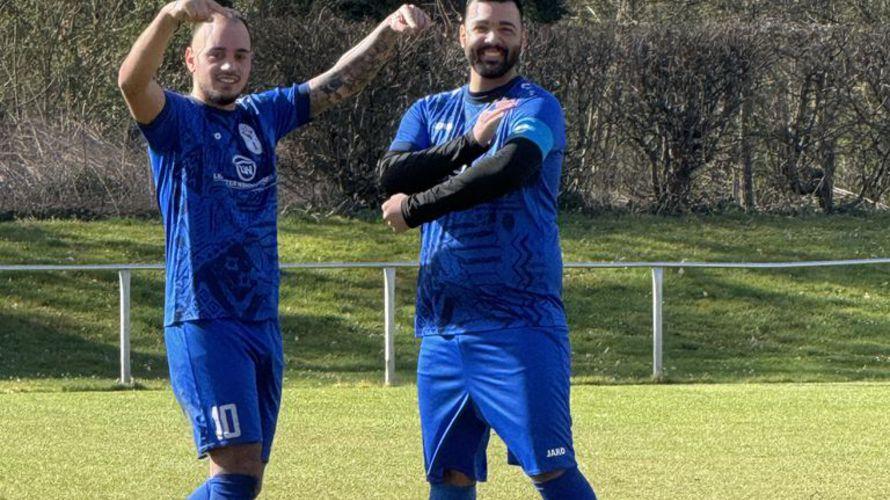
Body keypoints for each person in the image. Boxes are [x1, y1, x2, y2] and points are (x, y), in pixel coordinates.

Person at [117, 1, 430, 497]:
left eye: (241, 56)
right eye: (216, 54)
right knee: (235, 473)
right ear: (190, 60)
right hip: (205, 318)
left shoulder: (261, 115)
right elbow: (132, 83)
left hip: (261, 319)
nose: (230, 65)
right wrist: (169, 16)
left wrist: (388, 30)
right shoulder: (175, 119)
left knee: (247, 478)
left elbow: (337, 82)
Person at [378, 0, 596, 498]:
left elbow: (510, 168)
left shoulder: (536, 106)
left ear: (523, 37)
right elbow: (391, 174)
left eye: (505, 28)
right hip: (442, 329)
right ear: (462, 35)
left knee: (551, 472)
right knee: (449, 476)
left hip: (519, 324)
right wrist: (470, 141)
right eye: (481, 27)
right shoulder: (428, 111)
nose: (493, 38)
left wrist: (414, 209)